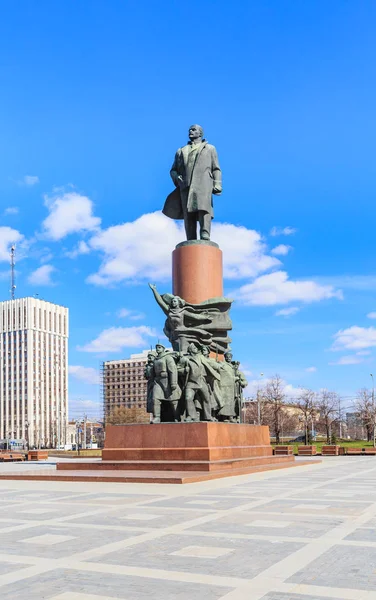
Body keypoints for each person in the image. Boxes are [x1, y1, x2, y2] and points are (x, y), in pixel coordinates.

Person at [163, 124, 222, 241]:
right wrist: (177, 177)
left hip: (204, 184)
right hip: (185, 185)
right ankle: (190, 237)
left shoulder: (210, 148)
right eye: (190, 129)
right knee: (187, 212)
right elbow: (173, 170)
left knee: (204, 209)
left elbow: (216, 168)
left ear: (200, 133)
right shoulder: (181, 151)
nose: (190, 131)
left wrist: (217, 183)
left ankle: (205, 234)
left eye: (194, 129)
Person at [180, 343, 213, 422]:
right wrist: (184, 370)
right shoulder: (185, 359)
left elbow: (210, 363)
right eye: (195, 348)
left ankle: (208, 416)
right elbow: (178, 369)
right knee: (188, 398)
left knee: (207, 399)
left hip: (201, 381)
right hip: (191, 382)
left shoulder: (200, 357)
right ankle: (191, 416)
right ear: (190, 349)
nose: (197, 349)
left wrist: (218, 366)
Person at [151, 344, 181, 423]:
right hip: (158, 381)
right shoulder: (155, 359)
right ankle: (156, 417)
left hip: (167, 381)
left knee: (173, 400)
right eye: (156, 348)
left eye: (159, 347)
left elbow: (173, 370)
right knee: (155, 399)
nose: (157, 349)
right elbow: (152, 372)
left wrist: (173, 382)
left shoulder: (168, 357)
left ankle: (177, 417)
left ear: (163, 349)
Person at [201, 345, 224, 418]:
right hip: (203, 380)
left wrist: (219, 365)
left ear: (208, 352)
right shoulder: (200, 358)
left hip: (211, 381)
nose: (203, 351)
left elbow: (217, 366)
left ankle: (213, 415)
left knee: (214, 399)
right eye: (202, 350)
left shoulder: (211, 360)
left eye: (204, 350)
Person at [218, 350, 237, 422]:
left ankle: (231, 417)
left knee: (231, 402)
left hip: (232, 387)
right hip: (225, 387)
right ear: (225, 357)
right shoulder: (223, 364)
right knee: (225, 402)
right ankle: (224, 417)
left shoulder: (232, 366)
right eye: (227, 357)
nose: (229, 358)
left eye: (230, 357)